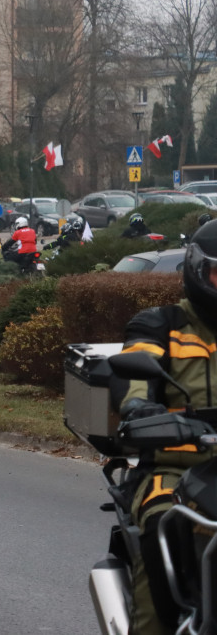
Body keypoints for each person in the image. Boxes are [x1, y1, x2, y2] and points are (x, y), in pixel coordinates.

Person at [114, 219, 217, 634]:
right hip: (175, 469)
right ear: (197, 270)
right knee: (161, 524)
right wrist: (139, 407)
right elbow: (135, 371)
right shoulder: (162, 324)